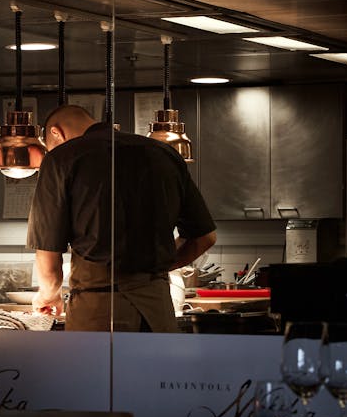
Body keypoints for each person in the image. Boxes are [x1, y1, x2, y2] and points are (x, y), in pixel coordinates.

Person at [26, 104, 217, 332]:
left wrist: (48, 295)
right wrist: (152, 270)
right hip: (158, 313)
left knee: (96, 359)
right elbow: (205, 238)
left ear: (56, 133)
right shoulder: (165, 154)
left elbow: (48, 256)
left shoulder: (60, 159)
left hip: (98, 313)